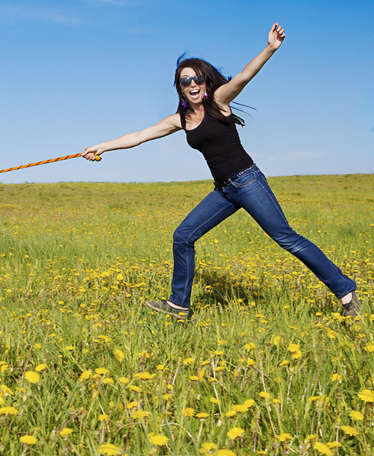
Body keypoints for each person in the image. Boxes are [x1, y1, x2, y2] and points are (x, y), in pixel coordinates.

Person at [82, 23, 359, 320]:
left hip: (248, 181)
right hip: (224, 190)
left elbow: (244, 76)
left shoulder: (219, 101)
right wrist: (103, 146)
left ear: (205, 81)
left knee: (286, 238)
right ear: (179, 87)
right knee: (183, 236)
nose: (191, 83)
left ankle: (345, 291)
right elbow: (139, 135)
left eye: (197, 77)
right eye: (184, 80)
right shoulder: (181, 119)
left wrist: (269, 48)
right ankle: (179, 305)